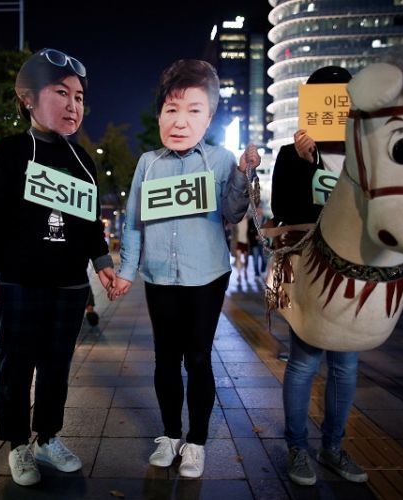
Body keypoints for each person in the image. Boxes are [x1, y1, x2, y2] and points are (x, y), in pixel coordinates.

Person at [109, 59, 260, 478]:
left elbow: (232, 212)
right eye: (171, 110)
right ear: (159, 114)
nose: (180, 121)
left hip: (207, 276)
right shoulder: (147, 164)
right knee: (163, 359)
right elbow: (134, 220)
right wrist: (126, 270)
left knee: (198, 358)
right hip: (159, 276)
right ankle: (170, 434)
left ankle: (196, 441)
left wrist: (244, 176)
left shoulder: (220, 159)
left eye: (194, 110)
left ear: (209, 118)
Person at [0, 48, 116, 487]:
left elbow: (90, 223)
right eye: (61, 93)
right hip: (18, 284)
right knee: (15, 366)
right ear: (28, 99)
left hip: (70, 286)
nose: (74, 105)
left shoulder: (83, 161)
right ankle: (18, 445)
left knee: (57, 366)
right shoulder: (11, 154)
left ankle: (47, 438)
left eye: (79, 96)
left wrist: (103, 263)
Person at [271, 66, 368, 486]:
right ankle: (298, 447)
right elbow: (284, 211)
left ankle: (332, 446)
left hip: (356, 276)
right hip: (311, 272)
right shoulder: (292, 154)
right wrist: (308, 164)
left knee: (346, 365)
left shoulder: (365, 151)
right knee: (305, 361)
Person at [233, 218, 250, 283]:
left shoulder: (249, 221)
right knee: (238, 258)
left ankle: (245, 270)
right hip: (238, 242)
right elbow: (233, 233)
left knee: (246, 259)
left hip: (246, 242)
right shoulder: (236, 221)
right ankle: (239, 274)